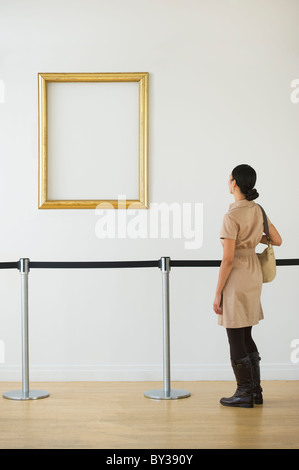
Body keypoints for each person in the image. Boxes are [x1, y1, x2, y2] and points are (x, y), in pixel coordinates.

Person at [213, 164, 282, 408]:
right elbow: (277, 240)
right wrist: (253, 238)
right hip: (253, 274)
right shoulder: (258, 210)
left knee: (234, 335)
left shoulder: (231, 216)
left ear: (234, 183)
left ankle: (244, 393)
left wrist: (218, 292)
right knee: (246, 333)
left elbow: (228, 259)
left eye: (229, 178)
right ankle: (255, 391)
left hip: (237, 276)